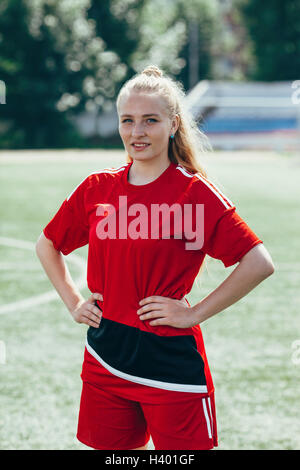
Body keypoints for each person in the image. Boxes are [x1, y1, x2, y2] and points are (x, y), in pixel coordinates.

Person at [36, 65, 275, 451]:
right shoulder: (98, 189)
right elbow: (47, 243)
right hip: (105, 353)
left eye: (150, 120)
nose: (137, 132)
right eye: (127, 120)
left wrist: (192, 313)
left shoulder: (193, 194)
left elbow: (259, 261)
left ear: (173, 124)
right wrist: (74, 302)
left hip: (169, 359)